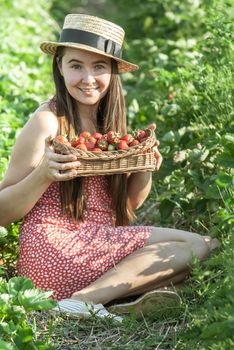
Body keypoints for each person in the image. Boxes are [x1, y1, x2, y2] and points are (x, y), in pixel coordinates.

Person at [0, 14, 219, 320]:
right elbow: (3, 211)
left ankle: (113, 299)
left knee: (205, 249)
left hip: (97, 240)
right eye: (76, 65)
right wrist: (42, 175)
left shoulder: (109, 127)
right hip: (53, 250)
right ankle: (83, 300)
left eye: (99, 67)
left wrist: (143, 167)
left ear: (113, 72)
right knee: (198, 246)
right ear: (59, 67)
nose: (88, 78)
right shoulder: (47, 122)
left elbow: (125, 210)